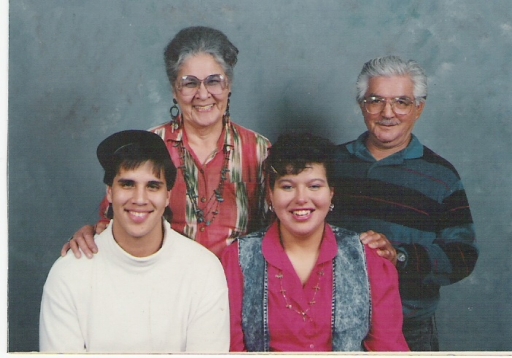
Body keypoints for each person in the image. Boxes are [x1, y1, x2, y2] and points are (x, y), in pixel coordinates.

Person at [61, 26, 270, 258]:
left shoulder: (259, 151)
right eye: (190, 83)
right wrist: (90, 233)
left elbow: (280, 235)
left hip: (238, 289)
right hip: (163, 287)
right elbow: (111, 223)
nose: (202, 94)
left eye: (213, 81)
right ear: (174, 90)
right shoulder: (147, 148)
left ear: (228, 85)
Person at [327, 55, 478, 351]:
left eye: (401, 102)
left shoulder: (441, 176)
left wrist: (400, 258)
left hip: (409, 330)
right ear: (361, 105)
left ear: (418, 108)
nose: (388, 113)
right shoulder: (329, 164)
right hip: (330, 323)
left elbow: (463, 255)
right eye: (375, 100)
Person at [40, 130, 230, 353]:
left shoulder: (203, 270)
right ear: (110, 192)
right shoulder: (69, 273)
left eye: (152, 186)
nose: (140, 199)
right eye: (128, 184)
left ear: (167, 196)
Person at [221, 132, 409, 352]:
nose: (301, 198)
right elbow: (230, 350)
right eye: (287, 187)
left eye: (315, 186)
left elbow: (388, 349)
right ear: (270, 196)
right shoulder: (239, 258)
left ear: (331, 194)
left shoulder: (369, 259)